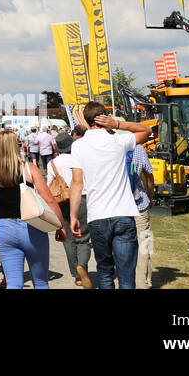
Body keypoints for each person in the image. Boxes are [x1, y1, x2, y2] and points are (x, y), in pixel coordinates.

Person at [68, 102, 152, 289]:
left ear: (86, 121)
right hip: (123, 212)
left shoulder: (79, 146)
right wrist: (117, 125)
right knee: (126, 274)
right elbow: (146, 130)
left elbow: (76, 182)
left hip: (97, 215)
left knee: (105, 272)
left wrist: (73, 215)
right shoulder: (118, 141)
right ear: (104, 118)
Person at [0, 131, 65, 289]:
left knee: (13, 283)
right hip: (31, 227)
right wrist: (61, 226)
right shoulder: (28, 168)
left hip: (4, 228)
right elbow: (49, 199)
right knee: (40, 283)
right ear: (15, 146)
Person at [47, 129, 92, 288]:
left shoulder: (52, 163)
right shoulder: (80, 159)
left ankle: (76, 275)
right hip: (81, 199)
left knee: (68, 240)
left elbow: (48, 186)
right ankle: (83, 266)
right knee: (84, 238)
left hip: (62, 203)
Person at [130, 138, 156, 289]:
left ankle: (125, 281)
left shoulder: (112, 146)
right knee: (144, 243)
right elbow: (149, 174)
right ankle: (143, 283)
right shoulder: (138, 148)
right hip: (139, 202)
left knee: (123, 244)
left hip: (119, 205)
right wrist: (150, 196)